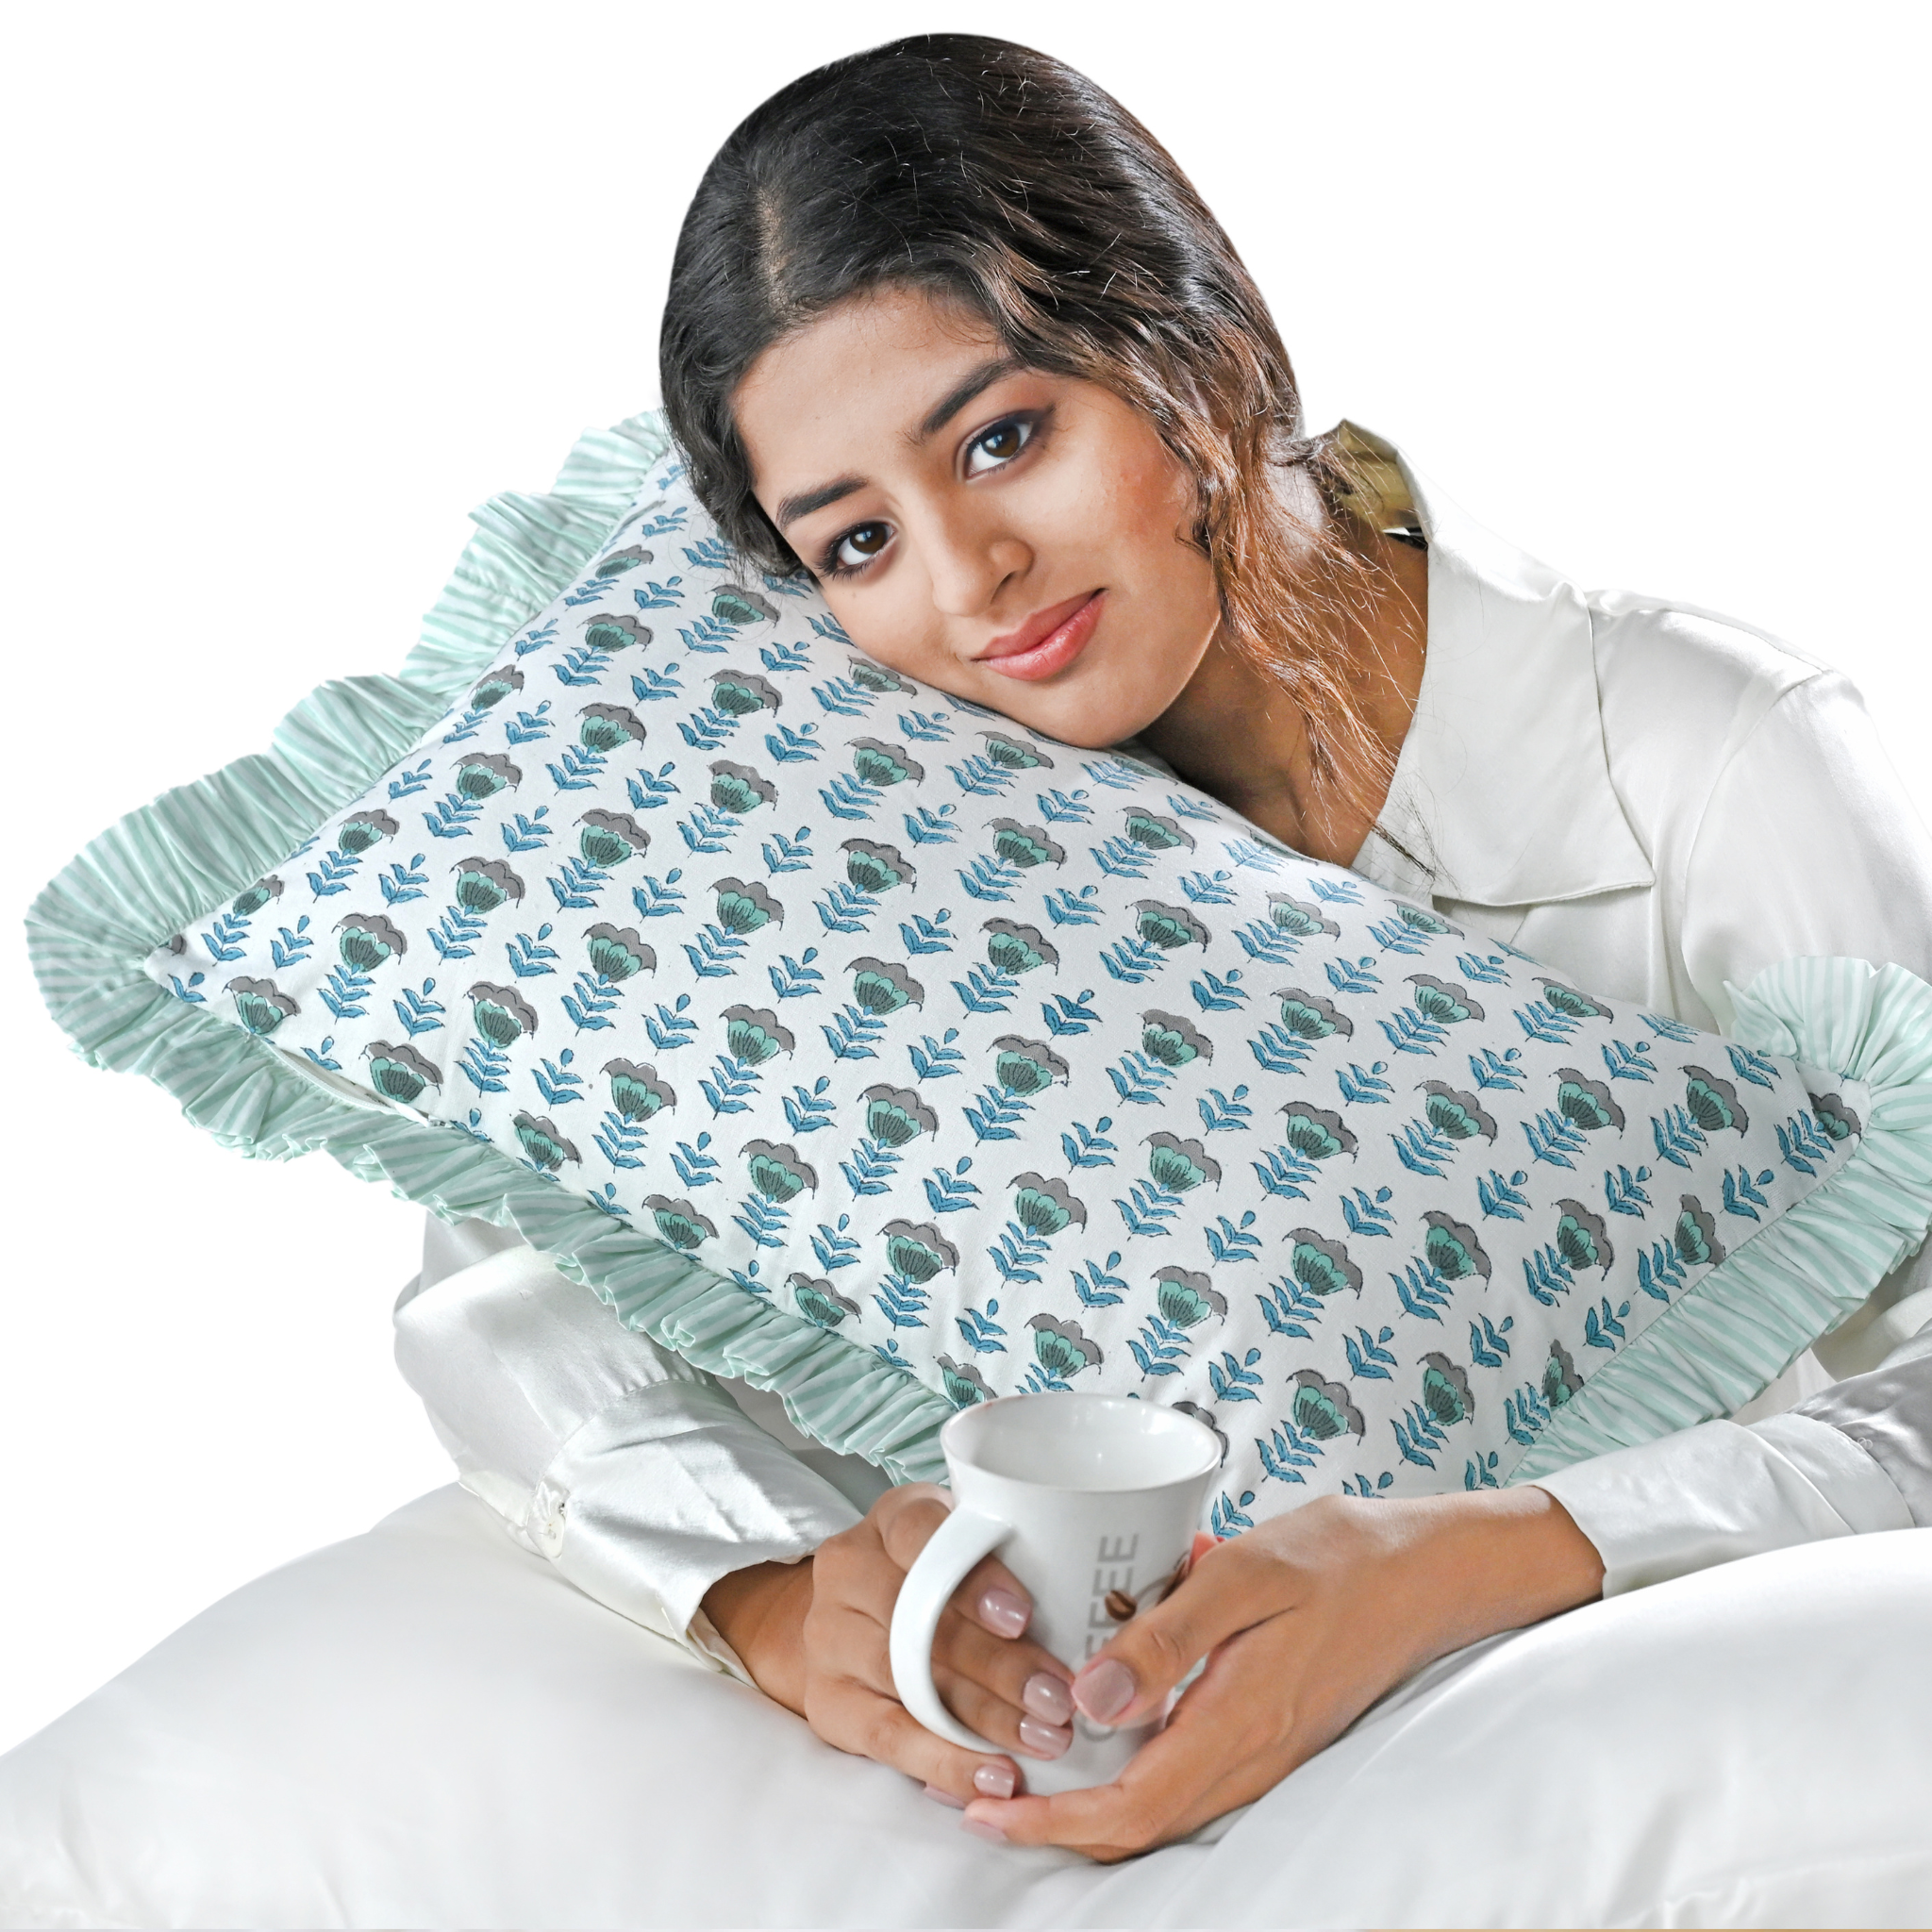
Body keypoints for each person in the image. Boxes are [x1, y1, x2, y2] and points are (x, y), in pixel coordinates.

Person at [395, 33, 1932, 1862]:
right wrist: (770, 1592)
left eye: (1004, 438)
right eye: (858, 539)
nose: (969, 583)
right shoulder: (884, 802)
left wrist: (1483, 1553)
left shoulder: (1702, 759)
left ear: (1196, 358)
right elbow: (508, 1274)